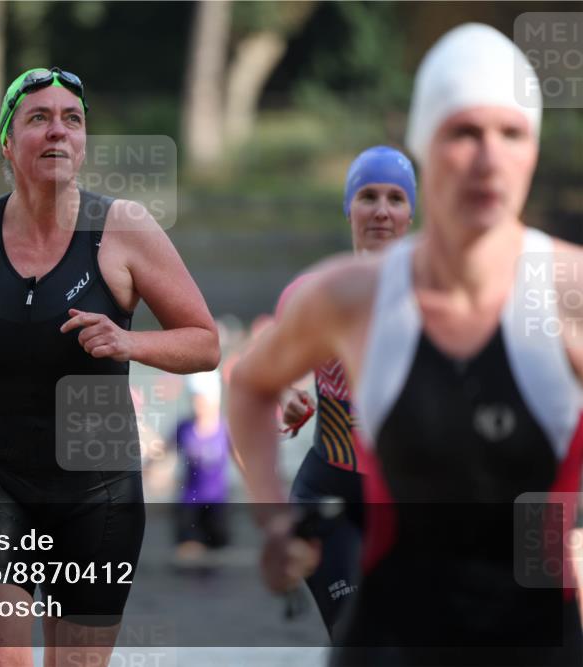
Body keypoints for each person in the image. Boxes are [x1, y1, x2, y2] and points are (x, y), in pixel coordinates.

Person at [228, 23, 582, 665]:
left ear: (533, 148)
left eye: (511, 133)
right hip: (390, 629)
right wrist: (273, 519)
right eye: (463, 133)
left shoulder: (569, 292)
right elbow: (250, 385)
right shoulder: (346, 296)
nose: (488, 159)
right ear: (427, 141)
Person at [0, 67, 219, 667]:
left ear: (84, 140)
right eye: (38, 118)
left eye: (72, 120)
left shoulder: (123, 228)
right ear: (7, 143)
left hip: (98, 489)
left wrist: (128, 341)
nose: (58, 131)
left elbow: (204, 343)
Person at [275, 145, 416, 634]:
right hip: (329, 494)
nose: (381, 211)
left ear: (412, 212)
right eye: (368, 196)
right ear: (348, 207)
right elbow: (270, 372)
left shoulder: (437, 298)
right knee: (357, 637)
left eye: (395, 198)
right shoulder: (312, 293)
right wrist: (287, 395)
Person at [174, 370, 231, 562]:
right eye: (195, 399)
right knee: (189, 556)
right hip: (189, 504)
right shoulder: (184, 427)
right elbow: (163, 454)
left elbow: (245, 461)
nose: (198, 404)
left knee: (217, 560)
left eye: (202, 399)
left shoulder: (225, 429)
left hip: (217, 505)